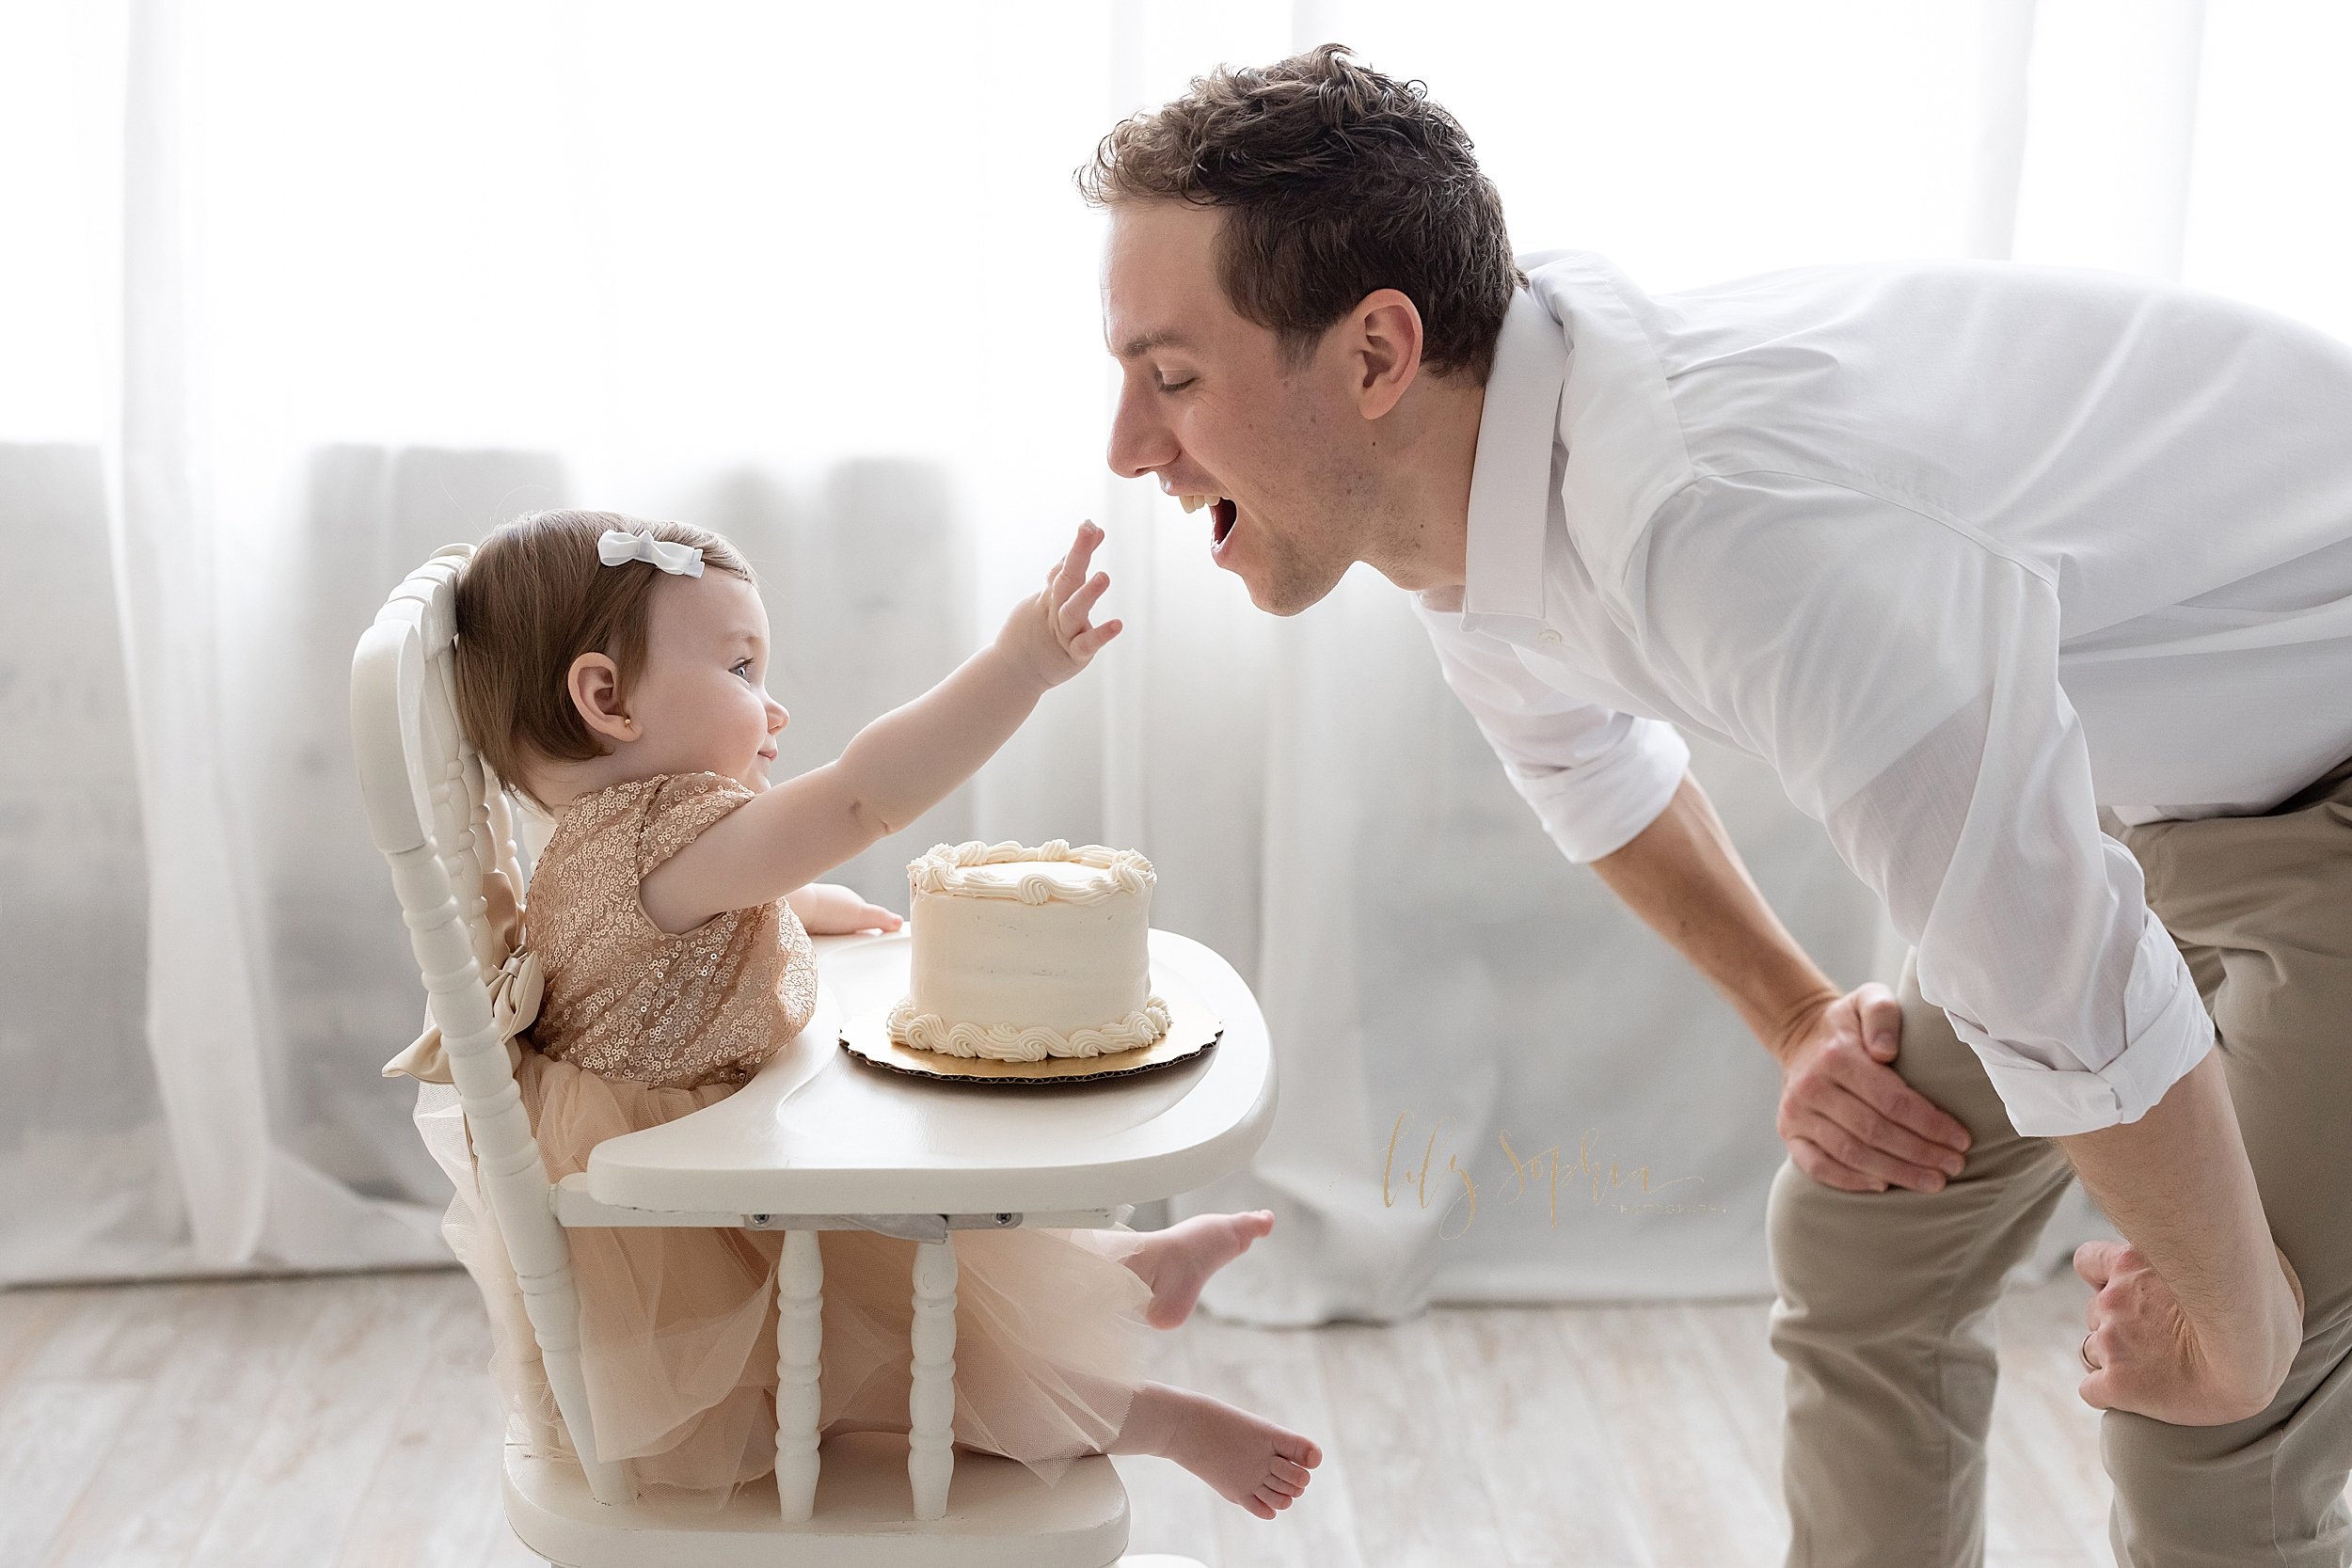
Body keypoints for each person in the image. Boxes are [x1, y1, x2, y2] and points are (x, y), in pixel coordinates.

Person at [1082, 43, 2350, 1567]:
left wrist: (2241, 1325)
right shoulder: (1465, 474)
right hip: (2160, 799)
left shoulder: (1712, 516)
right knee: (1870, 1227)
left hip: (2326, 790)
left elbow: (2057, 968)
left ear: (1373, 354)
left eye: (1171, 377)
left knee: (2215, 1414)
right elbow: (1592, 769)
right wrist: (1805, 1018)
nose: (1127, 448)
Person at [391, 507, 1320, 1518]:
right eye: (742, 670)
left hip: (704, 1149)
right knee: (907, 1371)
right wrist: (1021, 663)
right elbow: (860, 797)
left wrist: (788, 905)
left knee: (936, 1252)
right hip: (677, 1240)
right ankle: (1156, 1419)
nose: (774, 707)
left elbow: (656, 938)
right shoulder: (661, 840)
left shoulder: (602, 842)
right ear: (606, 698)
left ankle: (1129, 1268)